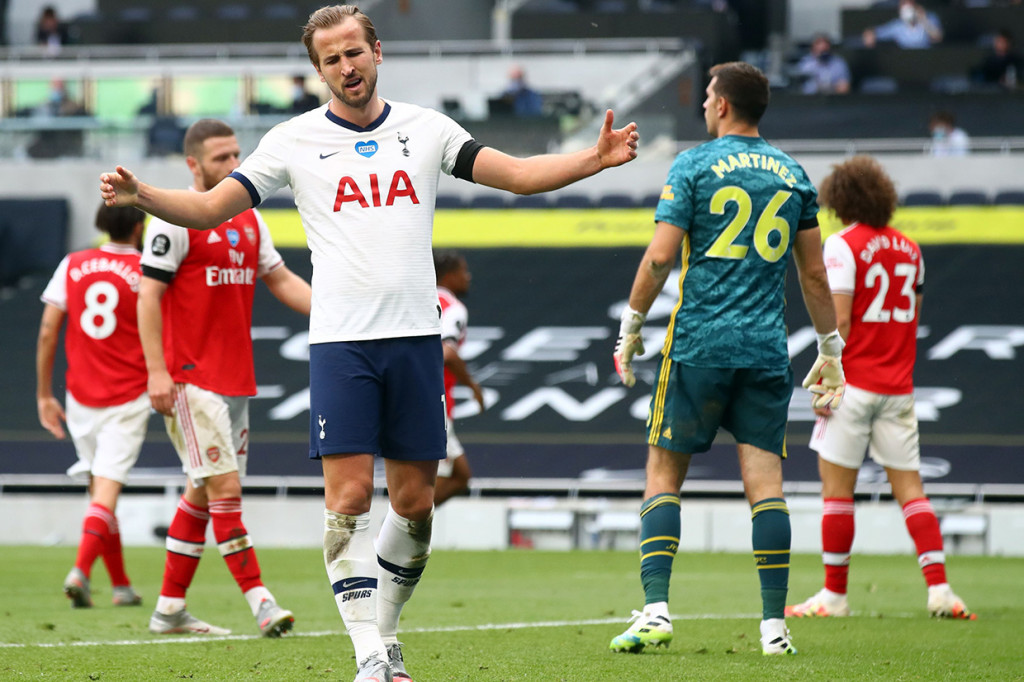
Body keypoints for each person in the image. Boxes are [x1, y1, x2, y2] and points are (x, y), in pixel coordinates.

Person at [100, 6, 637, 680]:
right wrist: (141, 193)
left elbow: (518, 174)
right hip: (341, 346)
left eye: (354, 52)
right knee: (348, 500)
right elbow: (209, 209)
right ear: (318, 70)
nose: (346, 67)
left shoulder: (427, 129)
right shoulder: (291, 142)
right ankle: (369, 655)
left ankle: (385, 635)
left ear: (376, 52)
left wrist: (595, 158)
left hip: (415, 343)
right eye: (331, 60)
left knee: (415, 505)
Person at [608, 61, 844, 657]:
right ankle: (773, 629)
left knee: (663, 475)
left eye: (709, 95)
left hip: (698, 344)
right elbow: (814, 273)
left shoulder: (693, 164)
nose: (706, 103)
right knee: (767, 488)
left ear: (722, 106)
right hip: (765, 350)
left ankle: (657, 611)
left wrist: (631, 327)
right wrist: (831, 348)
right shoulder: (793, 175)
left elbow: (661, 259)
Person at [137, 118, 312, 638]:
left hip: (235, 378)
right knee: (225, 489)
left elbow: (280, 279)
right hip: (191, 379)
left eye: (237, 154)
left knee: (200, 491)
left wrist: (334, 309)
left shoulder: (249, 219)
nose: (234, 165)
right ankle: (262, 603)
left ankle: (169, 609)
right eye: (220, 158)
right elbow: (148, 296)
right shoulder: (172, 219)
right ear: (193, 165)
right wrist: (157, 372)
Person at [785, 155, 975, 621]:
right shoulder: (911, 249)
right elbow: (912, 318)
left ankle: (834, 596)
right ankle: (940, 591)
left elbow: (842, 319)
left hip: (852, 385)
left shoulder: (842, 246)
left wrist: (828, 373)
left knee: (837, 493)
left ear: (839, 199)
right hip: (898, 384)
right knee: (912, 490)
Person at [37, 203, 148, 610]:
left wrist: (43, 394)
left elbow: (49, 330)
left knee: (98, 490)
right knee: (106, 491)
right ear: (139, 227)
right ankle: (80, 571)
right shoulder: (147, 267)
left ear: (100, 223)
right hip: (129, 393)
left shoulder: (73, 263)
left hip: (80, 394)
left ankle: (120, 586)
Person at [433, 250, 485, 506]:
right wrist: (474, 386)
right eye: (463, 271)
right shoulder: (452, 308)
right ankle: (388, 541)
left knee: (460, 475)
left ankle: (394, 539)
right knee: (432, 481)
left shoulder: (415, 300)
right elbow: (448, 353)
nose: (468, 277)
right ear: (450, 275)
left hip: (404, 394)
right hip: (432, 400)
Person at [862, 0, 942, 49]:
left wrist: (923, 20)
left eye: (910, 5)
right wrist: (871, 34)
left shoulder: (929, 17)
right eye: (903, 4)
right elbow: (878, 32)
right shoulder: (897, 25)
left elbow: (937, 37)